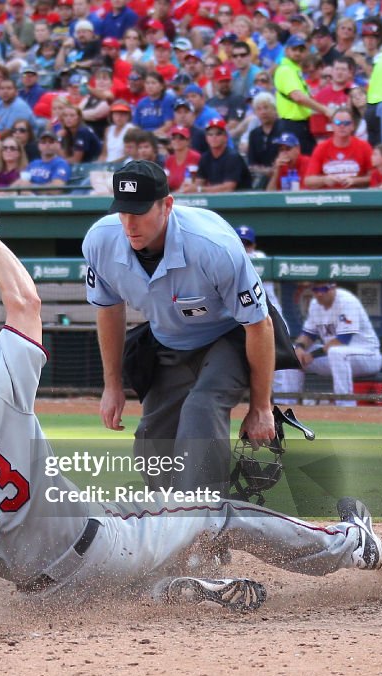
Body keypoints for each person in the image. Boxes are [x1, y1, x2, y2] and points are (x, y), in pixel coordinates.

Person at [0, 208, 382, 612]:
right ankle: (348, 546)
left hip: (46, 595)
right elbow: (26, 302)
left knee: (122, 521)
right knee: (215, 511)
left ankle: (177, 592)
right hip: (101, 548)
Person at [85, 160, 276, 496]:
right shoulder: (100, 242)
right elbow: (109, 310)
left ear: (167, 205)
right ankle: (172, 526)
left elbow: (259, 325)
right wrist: (112, 385)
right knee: (151, 441)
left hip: (228, 336)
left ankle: (206, 526)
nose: (130, 223)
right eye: (123, 211)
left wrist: (261, 407)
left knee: (200, 409)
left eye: (141, 211)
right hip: (169, 341)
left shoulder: (212, 245)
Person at [278, 283, 382, 407]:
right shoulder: (315, 305)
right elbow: (308, 334)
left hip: (367, 356)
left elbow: (342, 340)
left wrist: (312, 355)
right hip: (335, 357)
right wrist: (300, 348)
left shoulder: (347, 301)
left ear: (333, 288)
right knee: (294, 354)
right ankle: (289, 404)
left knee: (336, 352)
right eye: (316, 290)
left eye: (323, 289)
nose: (319, 293)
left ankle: (345, 405)